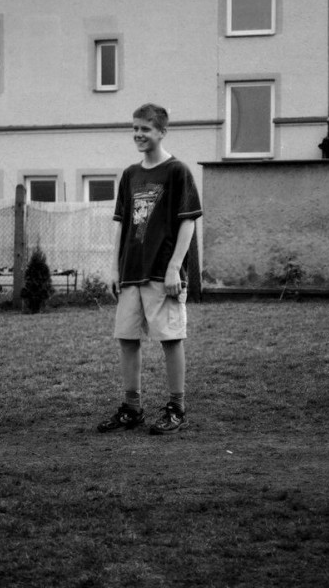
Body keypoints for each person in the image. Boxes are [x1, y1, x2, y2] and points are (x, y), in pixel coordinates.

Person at [97, 103, 202, 435]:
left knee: (171, 339)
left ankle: (177, 408)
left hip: (161, 272)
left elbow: (188, 223)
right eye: (135, 128)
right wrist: (114, 268)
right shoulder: (130, 174)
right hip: (131, 272)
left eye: (145, 128)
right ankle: (132, 409)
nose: (138, 134)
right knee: (127, 339)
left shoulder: (177, 171)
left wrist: (175, 268)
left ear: (162, 132)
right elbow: (121, 225)